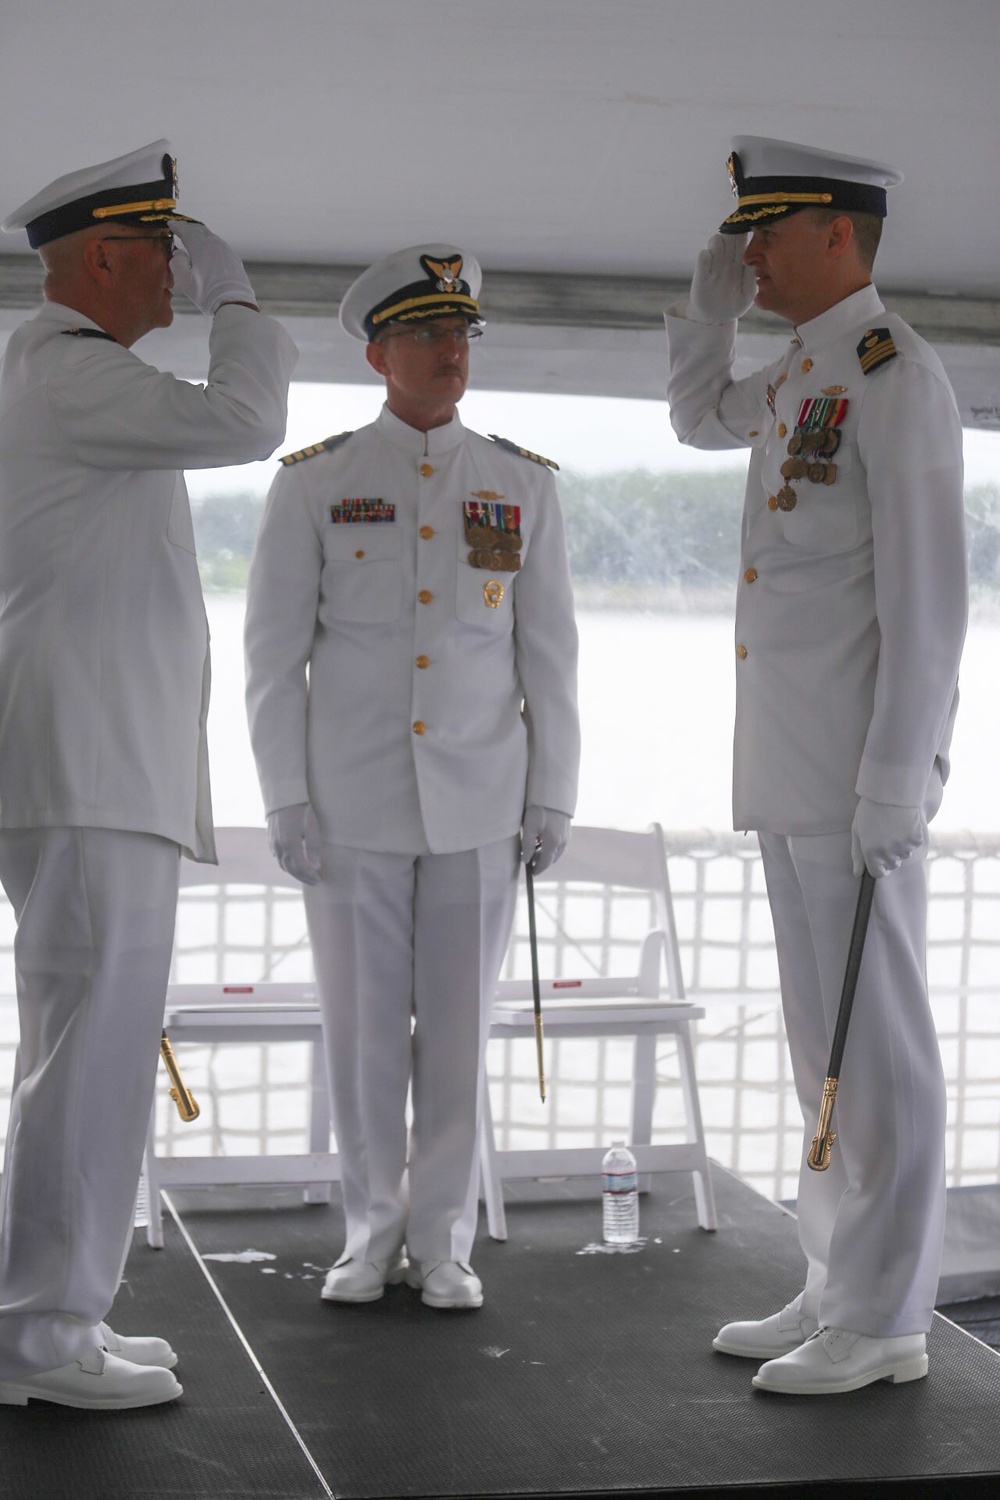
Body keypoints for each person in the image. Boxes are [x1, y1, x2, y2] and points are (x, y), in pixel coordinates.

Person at [665, 138, 967, 1395]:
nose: (751, 256)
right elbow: (693, 417)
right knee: (819, 1045)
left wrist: (898, 779)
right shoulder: (800, 371)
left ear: (835, 234)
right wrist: (703, 313)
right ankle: (839, 1278)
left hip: (854, 780)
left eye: (765, 236)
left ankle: (889, 1315)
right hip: (790, 770)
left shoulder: (896, 379)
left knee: (877, 1045)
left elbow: (929, 599)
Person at [0, 140, 297, 1409]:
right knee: (85, 1052)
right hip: (86, 764)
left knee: (95, 1048)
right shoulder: (69, 371)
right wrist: (243, 307)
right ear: (106, 257)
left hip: (95, 763)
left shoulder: (73, 375)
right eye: (167, 254)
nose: (178, 277)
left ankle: (61, 1311)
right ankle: (39, 1338)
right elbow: (247, 418)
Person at [245, 244, 579, 1311]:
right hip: (352, 806)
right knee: (360, 1037)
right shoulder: (317, 482)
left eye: (463, 333)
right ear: (377, 352)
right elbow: (270, 658)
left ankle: (441, 1241)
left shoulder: (520, 482)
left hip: (480, 805)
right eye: (430, 334)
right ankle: (367, 1232)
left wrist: (553, 793)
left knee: (456, 1033)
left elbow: (550, 656)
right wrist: (284, 797)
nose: (452, 351)